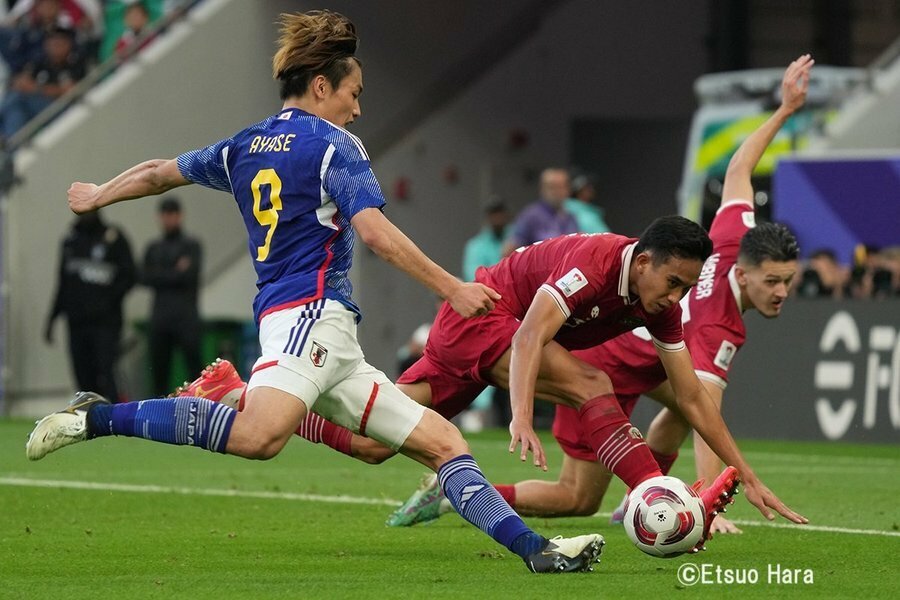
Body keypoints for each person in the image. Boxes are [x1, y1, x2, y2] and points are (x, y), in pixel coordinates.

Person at [26, 10, 604, 574]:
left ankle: (539, 553)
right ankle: (96, 418)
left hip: (329, 337)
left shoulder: (244, 145)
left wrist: (101, 193)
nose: (358, 105)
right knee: (260, 437)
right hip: (308, 316)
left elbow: (159, 171)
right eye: (353, 91)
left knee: (444, 441)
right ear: (322, 85)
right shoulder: (334, 146)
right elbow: (374, 233)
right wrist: (452, 287)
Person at [176, 211, 807, 553]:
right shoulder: (592, 266)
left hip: (484, 339)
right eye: (671, 281)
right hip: (480, 319)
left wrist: (745, 475)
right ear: (642, 262)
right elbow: (531, 335)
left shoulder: (659, 303)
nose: (675, 297)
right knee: (592, 383)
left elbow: (691, 396)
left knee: (373, 442)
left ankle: (234, 396)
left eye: (682, 286)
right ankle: (657, 497)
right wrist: (523, 416)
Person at [389, 54, 814, 534]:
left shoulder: (726, 241)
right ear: (745, 270)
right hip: (572, 347)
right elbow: (698, 406)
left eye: (788, 281)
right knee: (595, 435)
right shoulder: (713, 325)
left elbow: (740, 168)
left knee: (585, 488)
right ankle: (660, 500)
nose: (781, 292)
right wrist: (706, 502)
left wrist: (784, 111)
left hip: (605, 354)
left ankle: (647, 498)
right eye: (773, 282)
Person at [45, 209, 135, 403]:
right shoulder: (71, 241)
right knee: (81, 372)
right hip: (77, 322)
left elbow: (130, 276)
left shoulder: (114, 238)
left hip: (106, 322)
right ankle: (88, 417)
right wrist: (52, 319)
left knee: (106, 369)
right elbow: (63, 284)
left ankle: (114, 416)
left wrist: (107, 302)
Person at [142, 196, 202, 394]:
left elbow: (189, 276)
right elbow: (143, 277)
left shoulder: (192, 246)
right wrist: (175, 272)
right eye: (165, 215)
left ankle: (200, 408)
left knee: (196, 371)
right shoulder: (154, 248)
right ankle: (157, 414)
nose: (169, 219)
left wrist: (160, 274)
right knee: (158, 372)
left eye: (173, 214)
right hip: (160, 318)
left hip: (186, 318)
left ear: (180, 216)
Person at [0, 25, 86, 139]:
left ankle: (7, 138)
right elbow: (21, 82)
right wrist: (25, 85)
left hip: (62, 110)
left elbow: (72, 91)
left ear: (68, 44)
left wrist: (37, 88)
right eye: (51, 41)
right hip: (35, 108)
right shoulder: (40, 63)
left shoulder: (75, 63)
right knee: (16, 109)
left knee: (19, 98)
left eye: (59, 41)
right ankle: (11, 144)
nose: (54, 45)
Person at [501, 167, 577, 256]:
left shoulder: (570, 217)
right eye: (552, 187)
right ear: (542, 189)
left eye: (561, 187)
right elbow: (509, 250)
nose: (557, 192)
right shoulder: (530, 216)